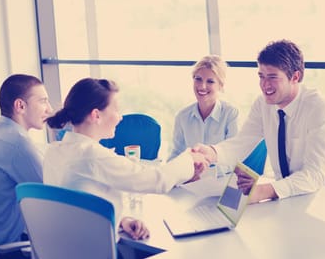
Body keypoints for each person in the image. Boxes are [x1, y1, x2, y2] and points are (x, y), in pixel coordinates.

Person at [44, 78, 209, 241]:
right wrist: (190, 159)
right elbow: (157, 180)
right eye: (116, 110)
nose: (120, 117)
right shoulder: (93, 156)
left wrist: (122, 220)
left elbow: (78, 207)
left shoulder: (53, 151)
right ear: (96, 115)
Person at [193, 40, 325, 203]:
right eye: (261, 76)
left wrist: (263, 191)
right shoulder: (262, 104)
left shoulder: (319, 108)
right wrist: (212, 153)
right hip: (287, 198)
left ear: (295, 77)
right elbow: (242, 142)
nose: (264, 85)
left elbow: (314, 176)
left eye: (272, 77)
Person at [0, 74, 52, 251]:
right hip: (12, 249)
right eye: (43, 101)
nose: (49, 109)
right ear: (20, 106)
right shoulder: (18, 145)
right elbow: (53, 200)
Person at [167, 55, 239, 161]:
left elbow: (233, 155)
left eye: (210, 81)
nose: (202, 86)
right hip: (190, 176)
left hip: (220, 176)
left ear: (220, 85)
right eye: (198, 79)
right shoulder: (182, 116)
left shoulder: (230, 114)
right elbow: (176, 153)